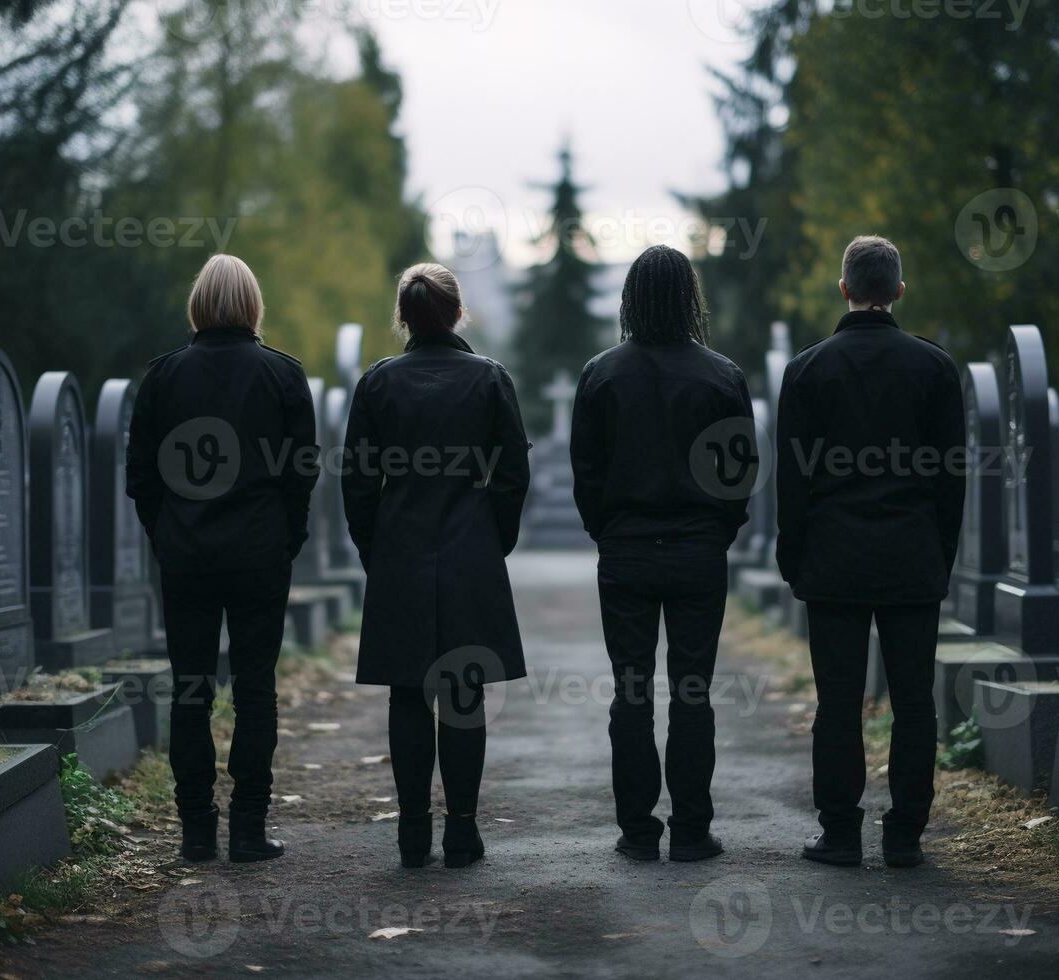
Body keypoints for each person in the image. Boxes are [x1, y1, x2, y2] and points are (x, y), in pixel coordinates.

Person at [773, 235, 965, 869]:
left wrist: (793, 558)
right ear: (899, 291)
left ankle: (840, 832)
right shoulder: (935, 369)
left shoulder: (806, 370)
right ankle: (906, 833)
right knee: (914, 700)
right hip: (912, 556)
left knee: (838, 701)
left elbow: (792, 480)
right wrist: (942, 554)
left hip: (833, 558)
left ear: (844, 288)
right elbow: (950, 478)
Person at [126, 254, 319, 864]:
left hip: (186, 554)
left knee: (191, 690)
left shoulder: (162, 377)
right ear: (254, 304)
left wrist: (167, 537)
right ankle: (248, 828)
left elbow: (141, 479)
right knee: (256, 690)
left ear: (198, 305)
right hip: (260, 552)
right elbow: (302, 473)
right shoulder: (283, 376)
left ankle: (195, 832)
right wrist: (285, 540)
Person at [342, 263, 530, 869]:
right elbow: (511, 475)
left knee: (406, 694)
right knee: (463, 692)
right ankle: (464, 832)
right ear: (456, 313)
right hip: (469, 546)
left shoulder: (378, 383)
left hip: (400, 547)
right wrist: (493, 539)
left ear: (403, 316)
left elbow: (357, 479)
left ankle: (412, 833)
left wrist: (377, 549)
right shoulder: (489, 379)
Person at [570, 244, 753, 863]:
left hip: (625, 550)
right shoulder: (722, 376)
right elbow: (738, 475)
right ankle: (693, 831)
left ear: (630, 300)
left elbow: (586, 473)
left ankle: (638, 831)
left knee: (631, 690)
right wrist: (716, 531)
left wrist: (609, 531)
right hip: (699, 549)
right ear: (689, 299)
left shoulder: (600, 374)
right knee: (693, 688)